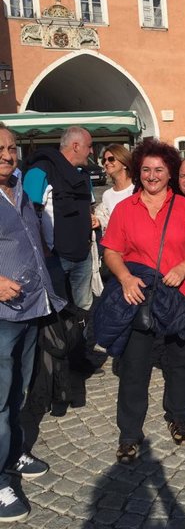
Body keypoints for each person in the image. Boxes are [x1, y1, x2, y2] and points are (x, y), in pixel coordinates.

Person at [101, 138, 185, 463]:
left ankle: (179, 416)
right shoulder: (124, 209)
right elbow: (111, 251)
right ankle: (129, 434)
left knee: (181, 362)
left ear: (170, 172)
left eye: (159, 169)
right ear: (138, 171)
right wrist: (125, 278)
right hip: (140, 296)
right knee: (134, 368)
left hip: (180, 295)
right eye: (146, 169)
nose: (152, 175)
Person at [0, 123, 65, 523]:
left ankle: (12, 452)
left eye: (10, 148)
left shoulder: (20, 187)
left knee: (19, 391)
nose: (7, 155)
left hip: (30, 307)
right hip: (2, 315)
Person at [23, 126, 99, 311]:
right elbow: (26, 215)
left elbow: (88, 207)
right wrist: (44, 251)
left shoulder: (83, 175)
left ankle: (84, 339)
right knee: (58, 313)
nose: (91, 151)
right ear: (75, 146)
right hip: (53, 259)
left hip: (82, 256)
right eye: (89, 146)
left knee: (85, 308)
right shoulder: (39, 170)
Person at [94, 144, 134, 233]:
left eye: (111, 159)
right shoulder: (107, 195)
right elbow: (108, 222)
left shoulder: (137, 189)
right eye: (104, 160)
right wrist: (99, 221)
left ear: (124, 163)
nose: (106, 163)